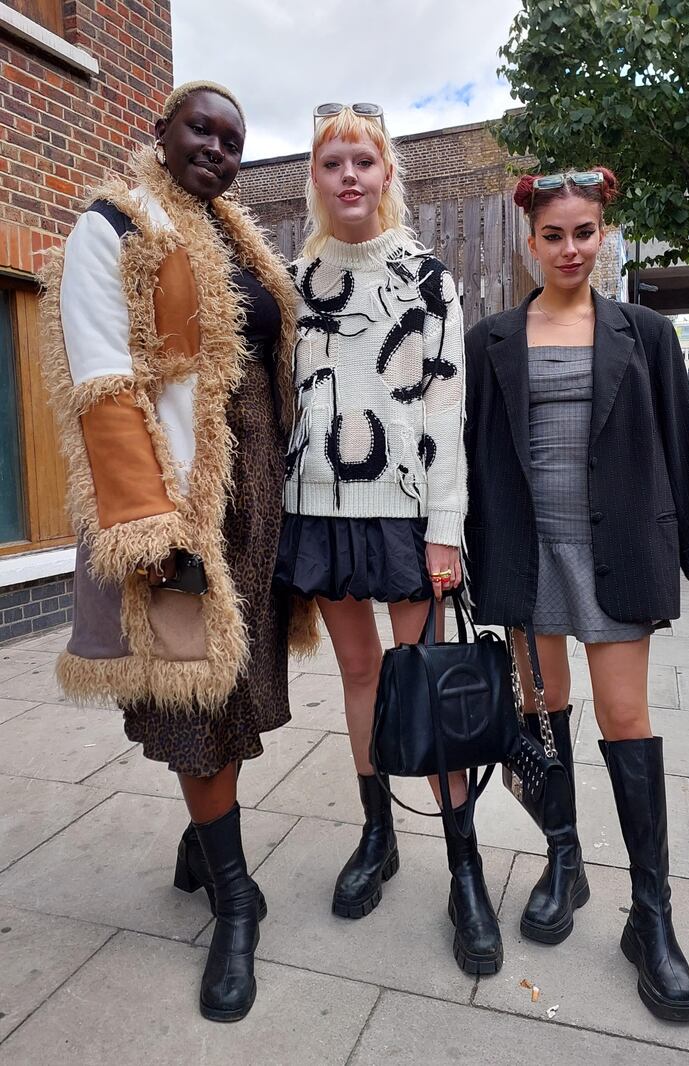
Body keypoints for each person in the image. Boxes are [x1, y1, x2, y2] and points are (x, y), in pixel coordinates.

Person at [41, 81, 317, 1023]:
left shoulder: (241, 238)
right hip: (181, 507)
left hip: (259, 498)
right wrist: (153, 529)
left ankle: (203, 847)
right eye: (201, 128)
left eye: (234, 138)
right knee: (193, 691)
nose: (218, 147)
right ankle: (236, 900)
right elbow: (104, 383)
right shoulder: (113, 226)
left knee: (237, 689)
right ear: (159, 129)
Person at [464, 168, 689, 1023]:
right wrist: (467, 550)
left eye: (584, 232)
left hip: (615, 550)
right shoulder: (493, 337)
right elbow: (475, 455)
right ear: (529, 242)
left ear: (603, 233)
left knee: (625, 721)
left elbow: (679, 443)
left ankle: (651, 918)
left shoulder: (644, 331)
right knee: (544, 720)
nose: (570, 248)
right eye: (554, 235)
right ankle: (564, 861)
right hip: (528, 555)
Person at [273, 104, 501, 975]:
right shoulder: (292, 281)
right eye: (333, 162)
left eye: (363, 160)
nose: (349, 176)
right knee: (362, 674)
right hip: (321, 509)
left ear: (388, 172)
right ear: (316, 177)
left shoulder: (426, 277)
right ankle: (378, 836)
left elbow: (445, 406)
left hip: (404, 510)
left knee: (428, 682)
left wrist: (446, 530)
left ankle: (463, 862)